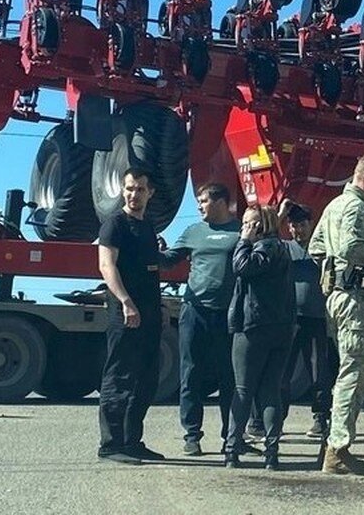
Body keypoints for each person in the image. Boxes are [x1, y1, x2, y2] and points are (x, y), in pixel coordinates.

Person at [309, 155, 364, 474]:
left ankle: (336, 445)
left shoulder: (333, 206)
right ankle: (337, 448)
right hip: (354, 298)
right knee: (356, 372)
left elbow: (315, 247)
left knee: (348, 369)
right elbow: (351, 247)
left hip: (337, 296)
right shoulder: (355, 207)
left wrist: (332, 272)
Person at [160, 183, 241, 456]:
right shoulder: (193, 231)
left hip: (229, 313)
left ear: (220, 202)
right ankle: (192, 435)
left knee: (230, 376)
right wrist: (155, 249)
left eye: (203, 201)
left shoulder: (240, 231)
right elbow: (169, 260)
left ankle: (232, 437)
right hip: (195, 311)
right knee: (191, 373)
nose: (199, 206)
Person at [96, 167, 165, 465]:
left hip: (150, 313)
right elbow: (106, 266)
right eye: (129, 188)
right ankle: (111, 445)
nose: (133, 194)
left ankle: (131, 441)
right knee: (120, 376)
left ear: (150, 193)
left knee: (146, 379)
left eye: (139, 189)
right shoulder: (115, 225)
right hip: (125, 313)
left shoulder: (148, 226)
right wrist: (126, 302)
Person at [224, 205, 296, 470]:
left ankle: (232, 450)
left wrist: (244, 241)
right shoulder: (283, 248)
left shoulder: (262, 248)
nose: (244, 228)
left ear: (260, 225)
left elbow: (241, 267)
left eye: (248, 223)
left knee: (243, 389)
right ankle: (271, 453)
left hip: (254, 327)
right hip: (281, 328)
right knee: (270, 391)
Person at [278, 201, 338, 438]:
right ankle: (277, 420)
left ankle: (320, 418)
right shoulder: (284, 248)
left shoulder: (322, 249)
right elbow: (265, 236)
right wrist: (281, 213)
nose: (298, 230)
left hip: (317, 318)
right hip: (290, 319)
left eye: (302, 225)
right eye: (293, 225)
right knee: (283, 372)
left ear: (311, 224)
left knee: (318, 371)